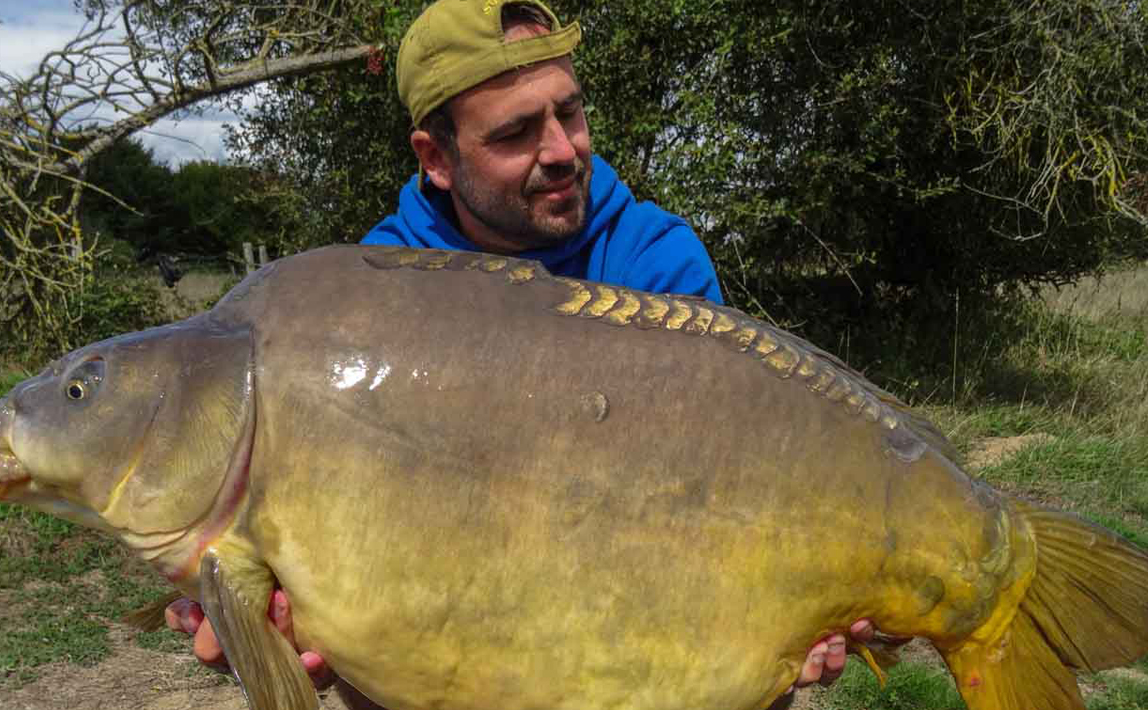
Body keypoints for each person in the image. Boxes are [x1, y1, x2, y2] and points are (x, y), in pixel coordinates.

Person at [166, 1, 875, 706]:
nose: (563, 149)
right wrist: (275, 623)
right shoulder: (376, 292)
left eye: (569, 111)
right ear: (435, 158)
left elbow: (724, 493)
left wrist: (798, 603)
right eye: (516, 132)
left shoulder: (656, 263)